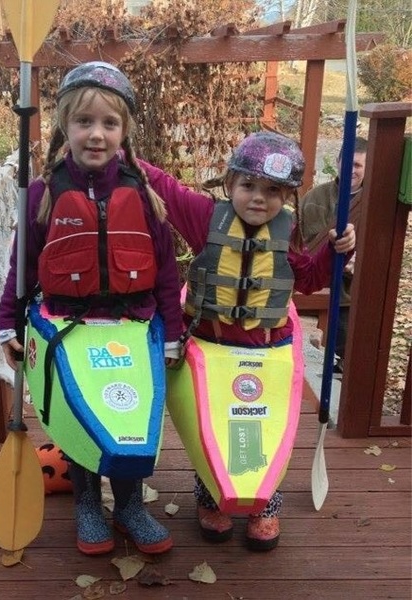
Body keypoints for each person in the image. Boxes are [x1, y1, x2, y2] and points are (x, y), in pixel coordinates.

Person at [0, 62, 183, 556]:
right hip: (68, 327)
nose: (96, 134)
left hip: (133, 326)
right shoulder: (43, 192)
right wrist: (6, 325)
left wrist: (171, 333)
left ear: (125, 131)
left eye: (109, 123)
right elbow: (23, 268)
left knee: (129, 417)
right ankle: (86, 503)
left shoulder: (143, 192)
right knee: (80, 418)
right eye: (84, 122)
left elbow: (166, 271)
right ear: (64, 126)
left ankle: (129, 505)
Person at [140, 131, 356, 551]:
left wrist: (336, 251)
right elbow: (162, 183)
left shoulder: (284, 233)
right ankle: (211, 498)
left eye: (273, 190)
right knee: (213, 428)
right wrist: (120, 148)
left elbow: (309, 278)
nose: (259, 198)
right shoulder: (204, 217)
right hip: (211, 345)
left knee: (266, 428)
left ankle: (264, 504)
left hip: (267, 349)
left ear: (287, 196)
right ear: (229, 184)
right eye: (248, 186)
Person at [300, 137, 368, 372]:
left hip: (349, 294)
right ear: (338, 162)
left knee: (348, 355)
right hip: (311, 286)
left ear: (367, 168)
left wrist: (358, 262)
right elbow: (297, 241)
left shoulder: (374, 203)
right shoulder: (315, 197)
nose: (351, 170)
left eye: (358, 165)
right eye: (347, 163)